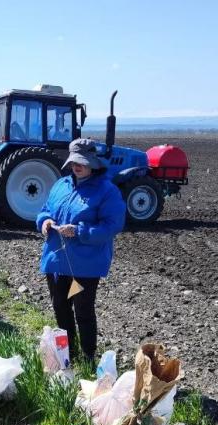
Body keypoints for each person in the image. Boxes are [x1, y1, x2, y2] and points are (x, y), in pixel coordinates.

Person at [36, 138, 126, 363]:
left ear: (94, 164)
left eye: (83, 162)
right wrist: (45, 222)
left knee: (83, 311)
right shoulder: (61, 185)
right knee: (60, 308)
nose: (78, 166)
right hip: (57, 261)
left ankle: (87, 356)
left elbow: (112, 225)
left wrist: (79, 230)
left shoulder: (107, 191)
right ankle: (67, 353)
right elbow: (45, 210)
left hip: (84, 265)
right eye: (75, 162)